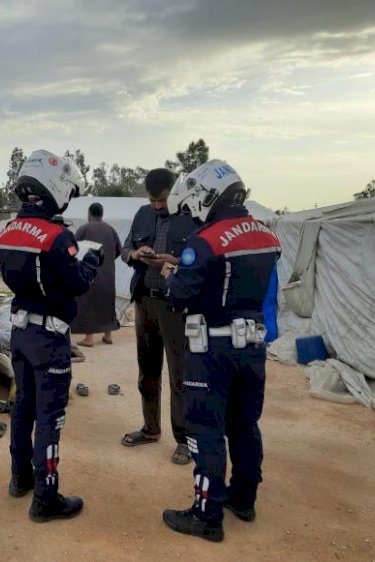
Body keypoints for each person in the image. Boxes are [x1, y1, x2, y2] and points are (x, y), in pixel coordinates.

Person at [162, 160, 281, 542]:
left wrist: (171, 276)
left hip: (212, 348)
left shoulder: (206, 239)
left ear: (208, 196)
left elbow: (180, 294)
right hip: (252, 348)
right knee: (244, 425)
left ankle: (206, 514)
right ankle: (244, 498)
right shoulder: (266, 235)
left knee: (205, 429)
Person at [0, 149, 102, 523]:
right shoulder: (59, 237)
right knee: (49, 417)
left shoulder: (6, 232)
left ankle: (19, 478)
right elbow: (75, 284)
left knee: (22, 408)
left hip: (21, 333)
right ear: (55, 187)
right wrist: (90, 260)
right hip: (50, 338)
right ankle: (46, 498)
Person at [120, 168, 198, 464]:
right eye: (152, 200)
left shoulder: (191, 217)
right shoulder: (142, 214)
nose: (156, 205)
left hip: (174, 307)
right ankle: (150, 428)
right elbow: (125, 249)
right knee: (147, 371)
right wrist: (136, 254)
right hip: (145, 302)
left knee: (180, 375)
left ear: (174, 192)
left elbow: (202, 262)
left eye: (161, 200)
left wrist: (175, 261)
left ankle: (184, 439)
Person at [71, 202, 122, 347]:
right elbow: (119, 250)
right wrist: (107, 261)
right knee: (107, 303)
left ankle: (89, 338)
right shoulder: (111, 229)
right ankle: (108, 335)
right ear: (102, 214)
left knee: (89, 303)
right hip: (109, 273)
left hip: (90, 272)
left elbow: (74, 249)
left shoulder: (84, 229)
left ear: (89, 213)